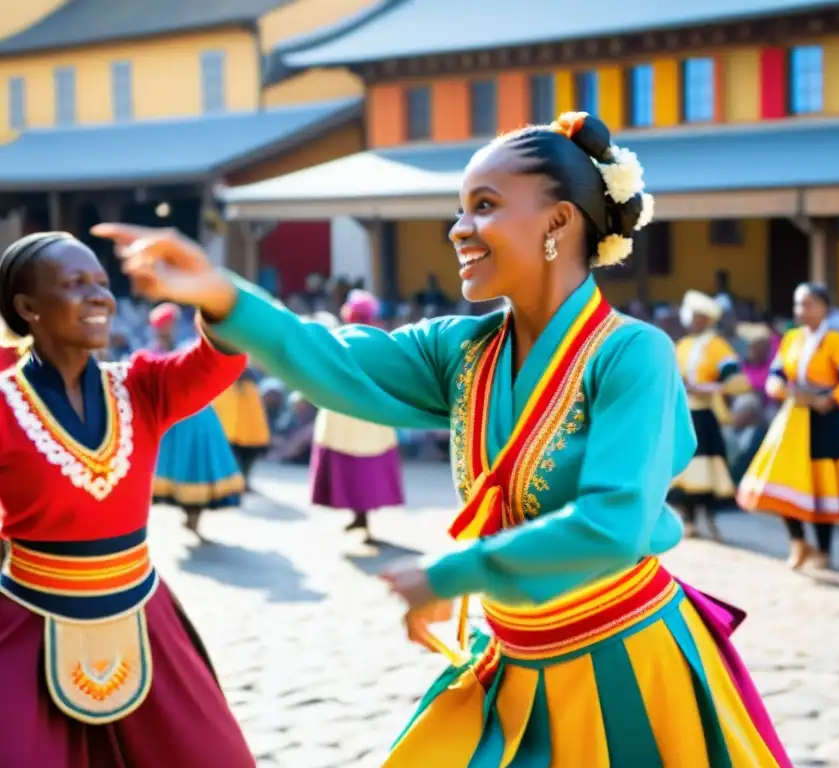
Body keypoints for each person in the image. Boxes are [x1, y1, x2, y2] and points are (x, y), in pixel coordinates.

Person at [95, 112, 791, 766]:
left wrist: (452, 573)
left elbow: (616, 521)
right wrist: (221, 294)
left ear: (557, 222)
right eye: (460, 208)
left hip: (620, 658)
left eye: (484, 205)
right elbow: (330, 358)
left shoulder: (633, 354)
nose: (458, 228)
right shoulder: (464, 351)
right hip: (510, 656)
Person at [0, 232, 254, 766]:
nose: (100, 297)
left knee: (215, 756)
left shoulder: (142, 387)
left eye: (102, 283)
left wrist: (208, 289)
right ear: (27, 307)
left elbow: (221, 360)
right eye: (75, 284)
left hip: (142, 611)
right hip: (25, 614)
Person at [737, 283, 839, 570]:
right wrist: (780, 388)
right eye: (799, 304)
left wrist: (830, 400)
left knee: (822, 484)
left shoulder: (836, 341)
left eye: (809, 304)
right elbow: (776, 375)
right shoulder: (791, 339)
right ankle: (798, 542)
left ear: (825, 308)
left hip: (825, 419)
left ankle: (824, 550)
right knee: (785, 478)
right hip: (794, 417)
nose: (803, 310)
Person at [310, 290, 405, 542]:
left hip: (346, 410)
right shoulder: (380, 342)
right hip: (368, 411)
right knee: (365, 467)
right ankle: (360, 517)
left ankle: (360, 516)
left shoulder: (340, 340)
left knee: (354, 467)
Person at [149, 303, 245, 531]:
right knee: (180, 467)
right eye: (163, 326)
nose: (168, 329)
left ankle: (195, 515)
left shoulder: (188, 345)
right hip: (175, 420)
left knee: (197, 464)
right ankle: (189, 512)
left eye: (170, 324)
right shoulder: (153, 351)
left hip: (198, 415)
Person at [667, 289, 750, 540]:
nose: (694, 320)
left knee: (707, 468)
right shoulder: (681, 345)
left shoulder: (717, 346)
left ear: (708, 319)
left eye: (699, 316)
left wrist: (706, 388)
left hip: (705, 415)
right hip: (682, 413)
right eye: (692, 315)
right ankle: (689, 519)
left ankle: (710, 517)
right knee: (683, 469)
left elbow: (737, 380)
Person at [212, 365, 271, 490]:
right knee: (229, 455)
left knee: (248, 454)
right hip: (228, 430)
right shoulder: (225, 387)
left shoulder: (250, 386)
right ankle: (230, 482)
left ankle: (243, 481)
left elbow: (256, 414)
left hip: (248, 430)